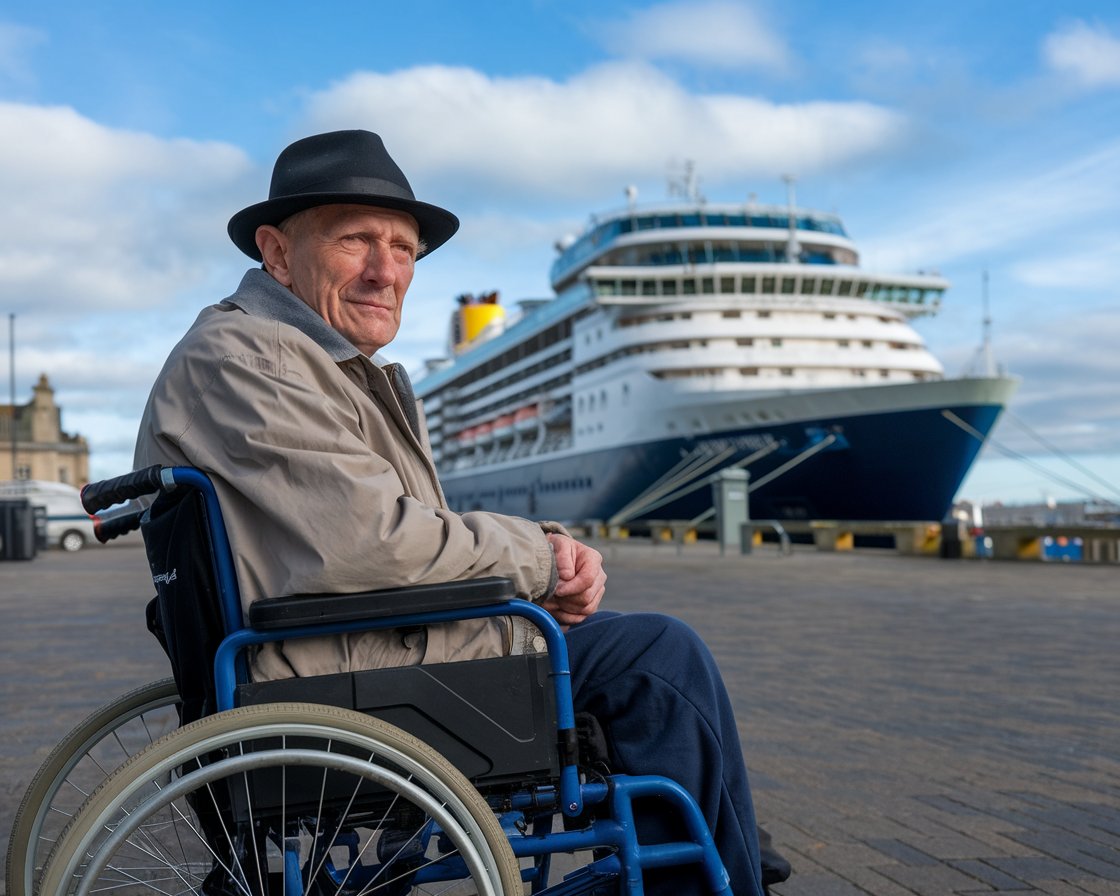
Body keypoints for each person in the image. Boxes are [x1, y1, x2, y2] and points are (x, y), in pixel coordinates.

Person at [134, 130, 774, 895]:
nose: (386, 271)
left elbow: (373, 537)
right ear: (276, 252)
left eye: (403, 249)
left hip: (345, 654)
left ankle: (716, 851)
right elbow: (371, 543)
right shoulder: (257, 358)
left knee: (636, 663)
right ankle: (713, 869)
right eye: (357, 241)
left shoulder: (307, 360)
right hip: (337, 682)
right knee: (658, 660)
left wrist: (527, 572)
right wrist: (540, 557)